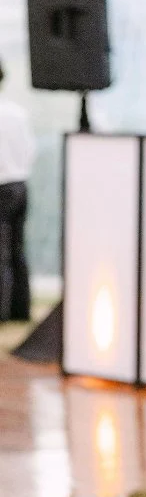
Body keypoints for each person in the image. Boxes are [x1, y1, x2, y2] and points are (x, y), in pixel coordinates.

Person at [0, 59, 34, 323]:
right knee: (18, 250)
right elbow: (29, 151)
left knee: (0, 255)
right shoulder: (17, 113)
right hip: (21, 185)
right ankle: (20, 311)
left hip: (1, 187)